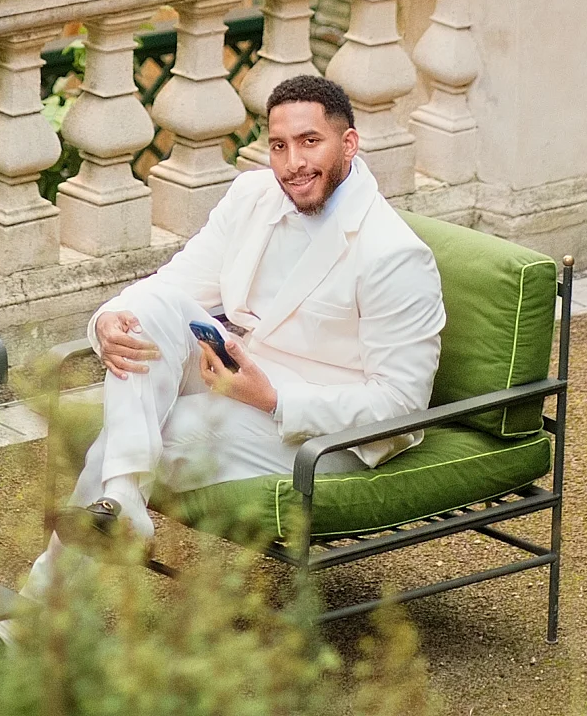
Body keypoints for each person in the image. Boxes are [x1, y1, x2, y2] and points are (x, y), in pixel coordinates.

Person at [25, 71, 446, 588]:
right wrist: (110, 319)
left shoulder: (393, 254)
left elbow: (403, 407)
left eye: (310, 142)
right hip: (236, 373)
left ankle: (35, 617)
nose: (293, 164)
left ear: (349, 144)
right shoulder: (252, 195)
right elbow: (178, 285)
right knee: (153, 303)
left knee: (154, 430)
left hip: (317, 429)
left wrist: (272, 398)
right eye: (279, 145)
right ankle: (125, 500)